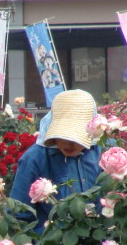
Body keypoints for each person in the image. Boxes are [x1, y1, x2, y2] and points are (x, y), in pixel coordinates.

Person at [9, 89, 103, 234]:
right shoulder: (34, 159)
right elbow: (19, 216)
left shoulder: (105, 152)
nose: (68, 144)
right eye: (63, 136)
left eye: (74, 137)